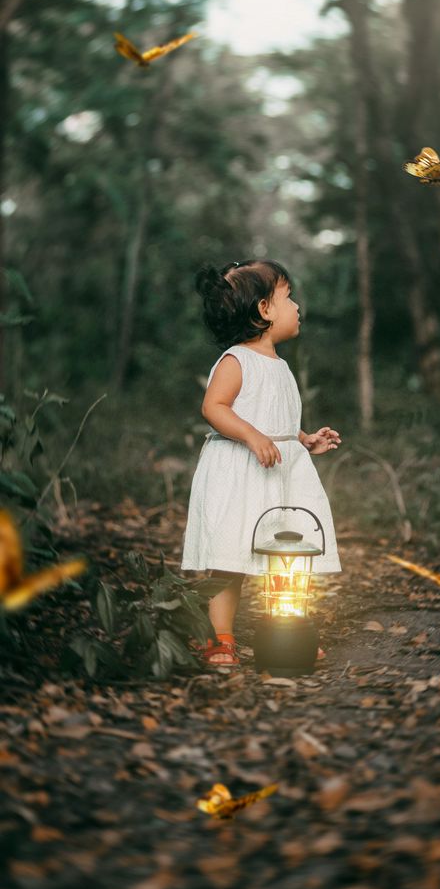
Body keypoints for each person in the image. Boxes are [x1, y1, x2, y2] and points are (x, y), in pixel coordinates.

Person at [181, 259, 342, 665]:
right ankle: (221, 637)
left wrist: (304, 440)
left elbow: (279, 421)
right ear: (264, 310)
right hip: (239, 472)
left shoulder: (281, 367)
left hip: (277, 476)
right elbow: (213, 407)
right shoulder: (237, 360)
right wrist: (252, 435)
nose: (297, 307)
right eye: (289, 298)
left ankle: (285, 636)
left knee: (284, 556)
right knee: (228, 557)